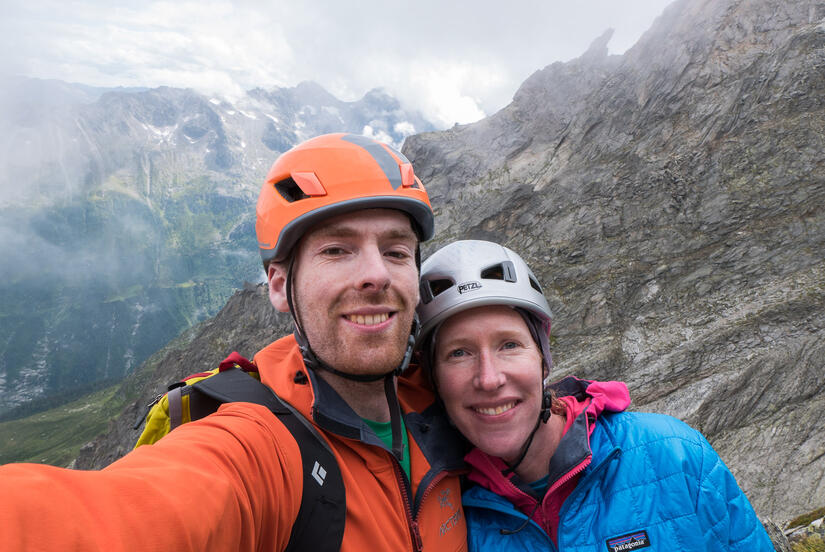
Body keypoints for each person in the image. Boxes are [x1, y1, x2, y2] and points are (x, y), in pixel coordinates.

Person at [0, 133, 468, 551]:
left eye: (396, 251)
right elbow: (113, 517)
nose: (375, 275)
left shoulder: (453, 402)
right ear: (280, 286)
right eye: (336, 250)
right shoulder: (259, 446)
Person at [416, 239, 773, 551]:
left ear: (543, 362)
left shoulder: (674, 455)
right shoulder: (445, 515)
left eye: (510, 345)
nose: (489, 379)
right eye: (459, 353)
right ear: (434, 380)